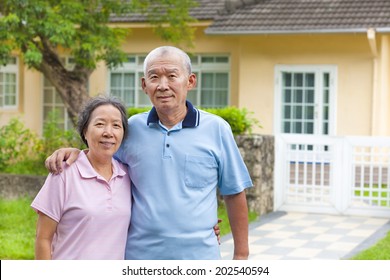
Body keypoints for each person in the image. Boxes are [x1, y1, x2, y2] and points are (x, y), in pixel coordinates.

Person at [45, 46, 253, 260]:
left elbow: (234, 192)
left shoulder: (217, 129)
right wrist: (76, 153)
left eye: (172, 76)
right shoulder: (131, 129)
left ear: (190, 81)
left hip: (200, 257)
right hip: (139, 258)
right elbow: (101, 163)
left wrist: (241, 256)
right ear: (144, 85)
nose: (163, 86)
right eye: (154, 77)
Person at [31, 96, 131, 259]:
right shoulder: (63, 173)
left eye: (116, 125)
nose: (108, 132)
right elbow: (43, 238)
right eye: (99, 124)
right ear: (85, 131)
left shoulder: (127, 176)